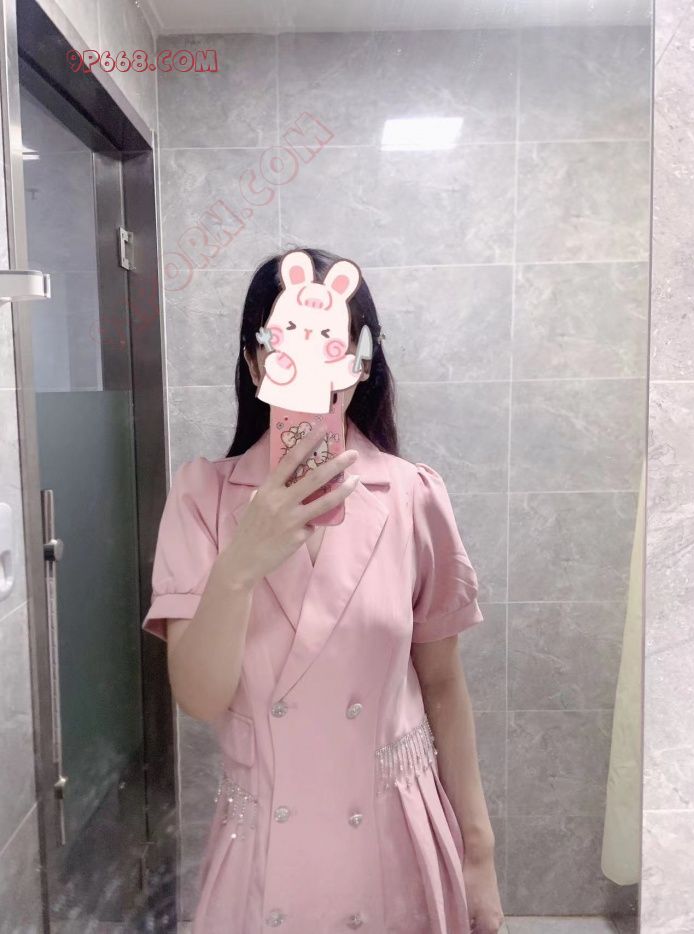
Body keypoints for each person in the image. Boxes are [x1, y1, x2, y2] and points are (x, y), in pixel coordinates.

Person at [142, 248, 504, 934]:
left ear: (359, 364)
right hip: (264, 856)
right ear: (255, 363)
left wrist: (479, 852)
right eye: (284, 342)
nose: (307, 362)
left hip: (398, 841)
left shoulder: (412, 495)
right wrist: (241, 563)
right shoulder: (201, 497)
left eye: (330, 342)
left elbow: (443, 685)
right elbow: (199, 696)